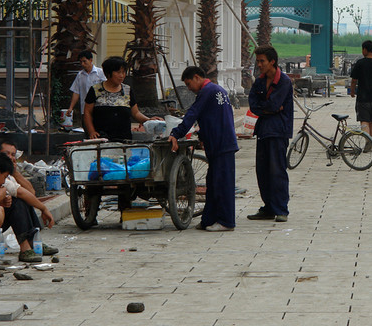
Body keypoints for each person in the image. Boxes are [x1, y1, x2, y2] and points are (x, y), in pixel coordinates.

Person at [168, 66, 238, 232]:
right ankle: (209, 219)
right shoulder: (217, 89)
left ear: (197, 77)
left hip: (222, 144)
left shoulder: (207, 91)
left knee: (222, 184)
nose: (189, 88)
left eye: (189, 83)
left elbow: (192, 114)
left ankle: (226, 222)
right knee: (213, 183)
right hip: (220, 143)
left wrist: (175, 134)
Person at [247, 45, 294, 222]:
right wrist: (268, 109)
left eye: (262, 61)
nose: (259, 64)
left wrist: (267, 108)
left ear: (272, 61)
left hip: (278, 131)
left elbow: (274, 106)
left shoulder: (283, 81)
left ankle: (281, 209)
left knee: (277, 171)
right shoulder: (259, 82)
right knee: (263, 171)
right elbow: (254, 105)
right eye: (257, 61)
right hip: (263, 131)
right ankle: (268, 207)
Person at [0, 138, 58, 258]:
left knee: (24, 199)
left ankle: (34, 242)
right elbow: (22, 193)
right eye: (6, 154)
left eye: (13, 155)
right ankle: (25, 247)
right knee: (17, 201)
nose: (11, 158)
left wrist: (15, 172)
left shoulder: (7, 173)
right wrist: (43, 209)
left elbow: (30, 192)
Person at [84, 56, 159, 141]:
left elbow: (135, 113)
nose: (122, 76)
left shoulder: (127, 90)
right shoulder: (95, 90)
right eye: (118, 72)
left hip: (124, 139)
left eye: (123, 72)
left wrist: (149, 120)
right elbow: (87, 112)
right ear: (108, 73)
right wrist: (92, 132)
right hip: (102, 138)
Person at [349, 40, 372, 140]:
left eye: (362, 49)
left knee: (364, 121)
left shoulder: (360, 63)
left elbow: (354, 80)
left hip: (362, 98)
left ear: (365, 50)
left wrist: (352, 91)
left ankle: (368, 142)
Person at [66, 50, 105, 124]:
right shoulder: (80, 75)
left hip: (99, 107)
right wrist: (71, 108)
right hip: (85, 108)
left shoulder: (100, 73)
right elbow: (76, 92)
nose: (83, 64)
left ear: (91, 60)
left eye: (84, 61)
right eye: (81, 62)